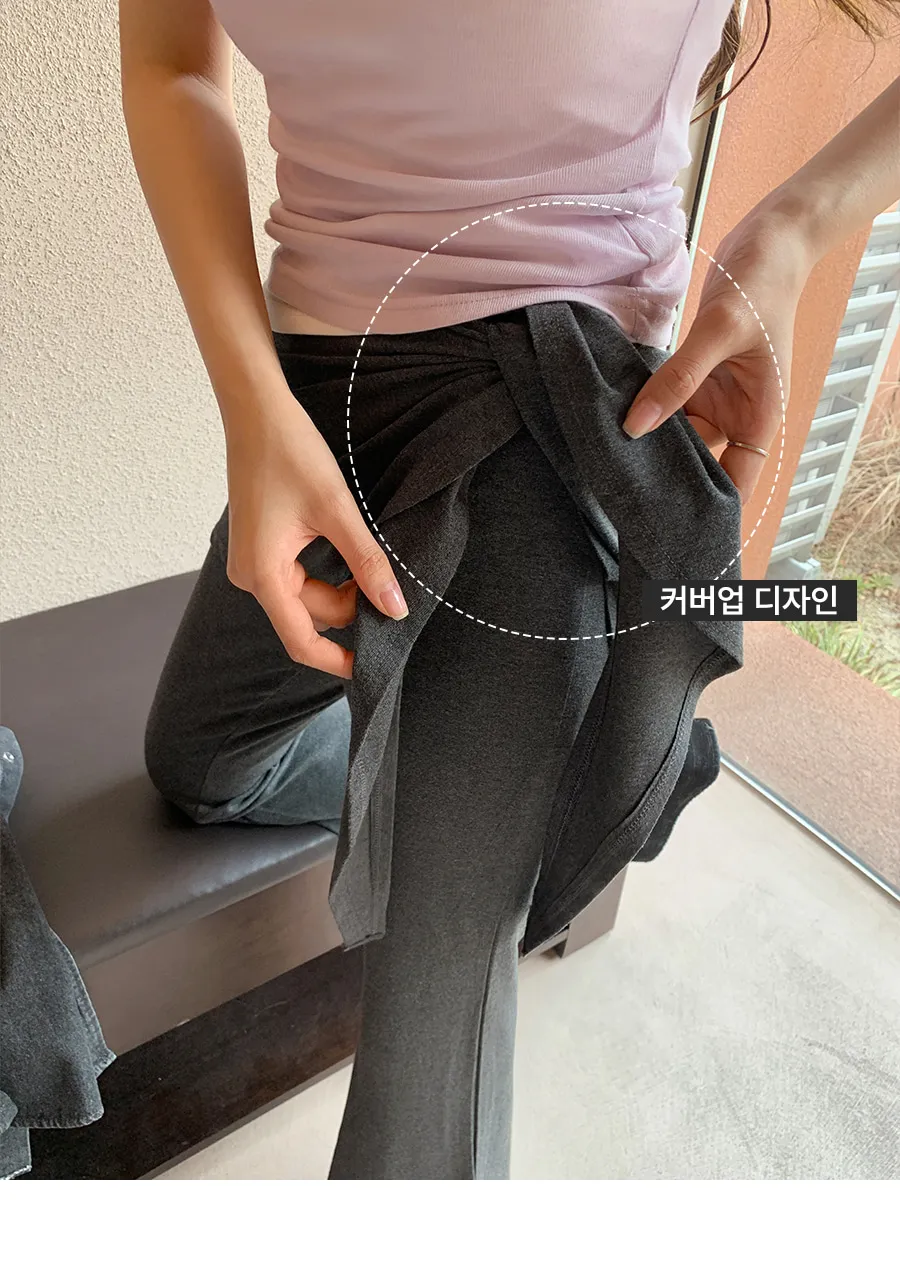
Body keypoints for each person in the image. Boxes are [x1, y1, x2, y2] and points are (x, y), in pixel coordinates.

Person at [119, 0, 900, 1178]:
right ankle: (523, 775)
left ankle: (499, 800)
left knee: (427, 1062)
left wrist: (795, 226)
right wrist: (251, 406)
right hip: (316, 407)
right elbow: (170, 63)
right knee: (201, 760)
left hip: (549, 427)